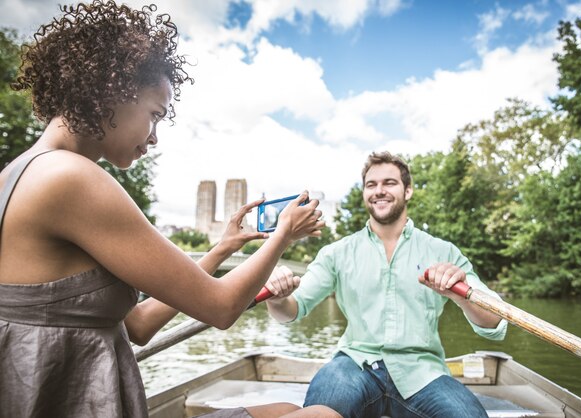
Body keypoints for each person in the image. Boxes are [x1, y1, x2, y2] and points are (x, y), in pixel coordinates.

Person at [0, 2, 340, 418]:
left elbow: (138, 325)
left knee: (286, 407)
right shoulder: (70, 177)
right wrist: (284, 232)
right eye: (154, 115)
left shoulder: (16, 173)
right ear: (112, 88)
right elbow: (221, 308)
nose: (155, 137)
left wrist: (220, 250)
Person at [265, 151, 508, 418]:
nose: (379, 191)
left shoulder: (443, 252)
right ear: (364, 193)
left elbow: (494, 322)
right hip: (354, 366)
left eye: (389, 183)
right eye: (371, 185)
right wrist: (277, 299)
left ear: (408, 191)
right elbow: (292, 310)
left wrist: (462, 295)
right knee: (319, 412)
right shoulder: (337, 252)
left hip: (423, 373)